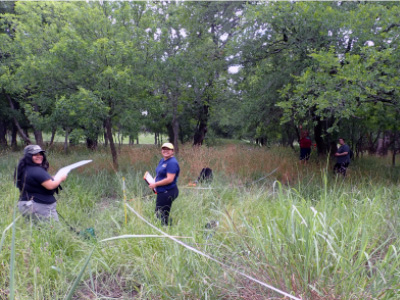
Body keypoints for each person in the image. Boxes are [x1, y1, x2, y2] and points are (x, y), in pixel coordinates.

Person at [15, 145, 67, 221]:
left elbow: (38, 181)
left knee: (35, 230)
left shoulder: (25, 168)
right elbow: (51, 185)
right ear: (28, 156)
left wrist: (54, 178)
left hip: (25, 205)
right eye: (35, 154)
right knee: (51, 231)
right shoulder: (37, 170)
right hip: (39, 206)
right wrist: (60, 178)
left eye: (40, 154)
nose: (39, 156)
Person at [148, 142, 180, 226]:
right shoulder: (162, 160)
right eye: (164, 149)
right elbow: (159, 173)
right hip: (162, 190)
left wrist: (156, 184)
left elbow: (169, 179)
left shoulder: (172, 163)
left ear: (172, 151)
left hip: (168, 191)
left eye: (168, 149)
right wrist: (154, 180)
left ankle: (165, 230)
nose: (166, 151)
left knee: (160, 214)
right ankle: (169, 227)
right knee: (161, 213)